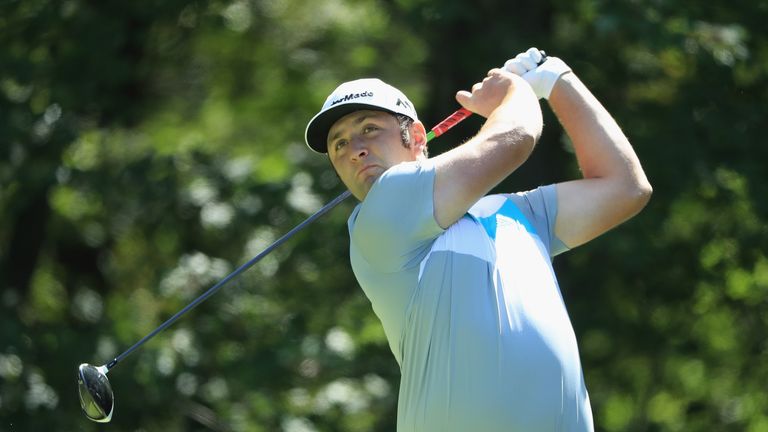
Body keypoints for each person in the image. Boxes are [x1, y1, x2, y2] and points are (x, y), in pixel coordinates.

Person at [304, 47, 651, 431]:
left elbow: (626, 188)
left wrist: (556, 79)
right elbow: (516, 137)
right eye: (339, 144)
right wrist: (515, 90)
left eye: (369, 128)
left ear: (416, 137)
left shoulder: (520, 214)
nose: (355, 150)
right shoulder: (381, 213)